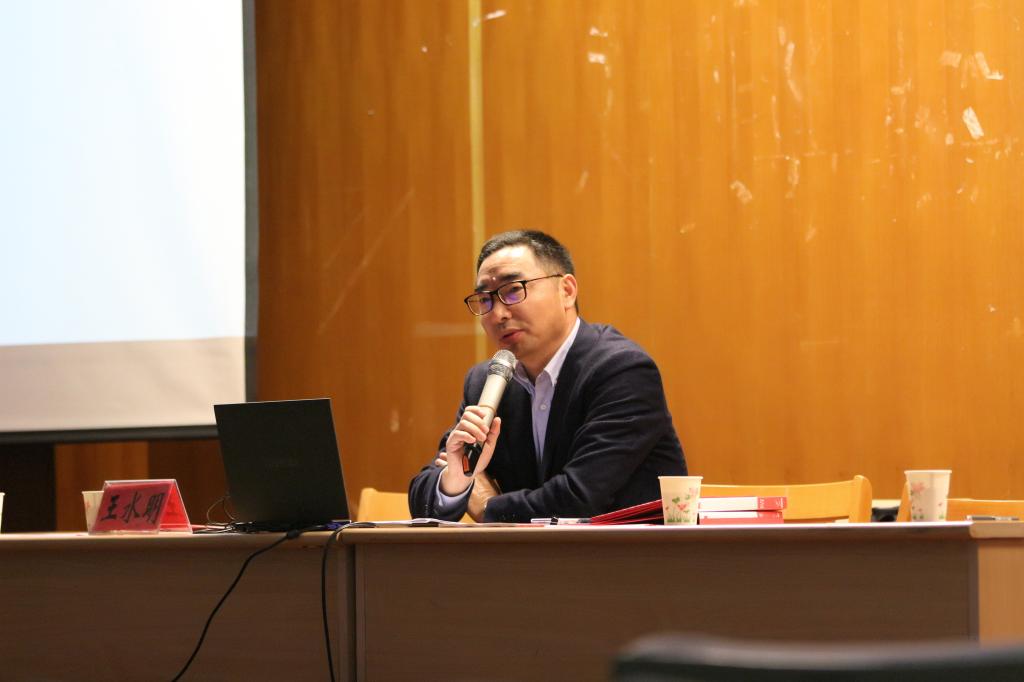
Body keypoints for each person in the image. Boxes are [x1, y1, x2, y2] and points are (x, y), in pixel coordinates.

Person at [408, 230, 686, 523]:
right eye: (485, 299)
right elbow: (426, 500)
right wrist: (456, 482)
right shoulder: (487, 382)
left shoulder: (622, 371)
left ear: (566, 291)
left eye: (513, 290)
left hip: (629, 550)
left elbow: (578, 499)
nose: (498, 314)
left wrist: (488, 507)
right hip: (531, 553)